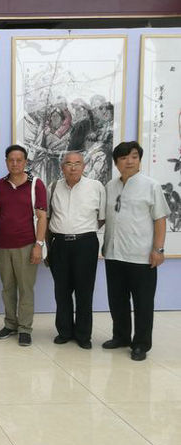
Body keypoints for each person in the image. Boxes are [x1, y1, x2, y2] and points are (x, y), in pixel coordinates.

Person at [102, 141, 170, 361]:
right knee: (117, 300)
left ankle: (141, 344)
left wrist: (158, 249)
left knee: (143, 303)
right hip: (113, 254)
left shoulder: (151, 186)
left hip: (141, 256)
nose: (129, 161)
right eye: (123, 158)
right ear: (116, 163)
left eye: (134, 157)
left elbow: (160, 219)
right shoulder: (110, 186)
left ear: (139, 160)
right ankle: (121, 336)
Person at [48, 151, 105, 349]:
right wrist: (47, 247)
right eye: (68, 164)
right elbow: (48, 217)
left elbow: (102, 218)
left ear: (84, 166)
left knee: (84, 291)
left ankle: (83, 335)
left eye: (77, 163)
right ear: (62, 167)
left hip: (85, 244)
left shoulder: (96, 187)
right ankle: (64, 331)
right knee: (61, 291)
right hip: (59, 244)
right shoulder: (53, 187)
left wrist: (83, 231)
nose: (73, 167)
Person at [0, 144, 47, 347]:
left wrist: (38, 245)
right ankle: (10, 324)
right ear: (6, 162)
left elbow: (42, 217)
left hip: (27, 245)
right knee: (7, 288)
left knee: (25, 289)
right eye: (11, 160)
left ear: (25, 162)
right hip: (2, 246)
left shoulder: (36, 185)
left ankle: (25, 328)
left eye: (19, 160)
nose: (15, 164)